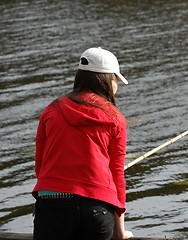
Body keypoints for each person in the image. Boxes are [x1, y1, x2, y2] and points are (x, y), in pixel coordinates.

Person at [32, 47, 133, 240]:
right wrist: (119, 232)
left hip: (51, 204)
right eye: (116, 80)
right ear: (107, 80)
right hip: (96, 208)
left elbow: (40, 166)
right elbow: (116, 175)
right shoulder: (115, 118)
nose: (117, 86)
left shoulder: (51, 110)